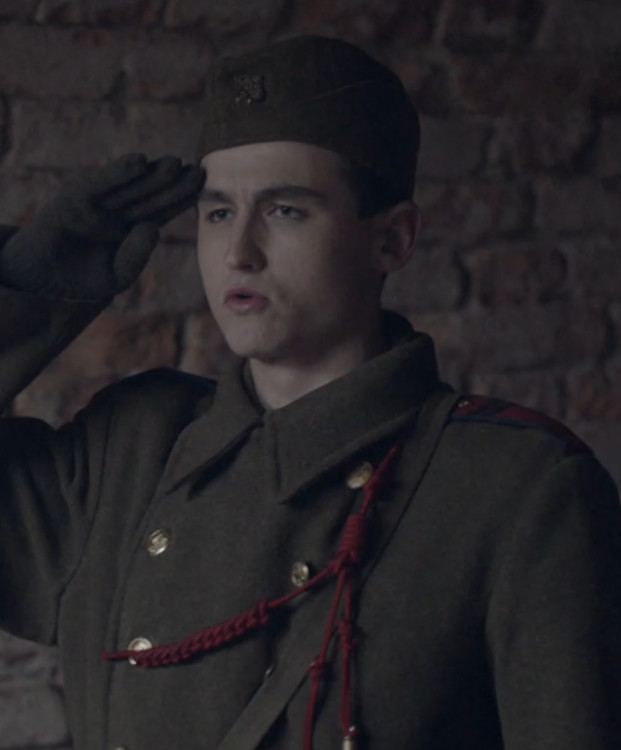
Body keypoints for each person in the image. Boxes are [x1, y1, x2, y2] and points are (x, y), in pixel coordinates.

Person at [0, 35, 620, 750]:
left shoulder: (516, 489)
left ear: (391, 240)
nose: (239, 253)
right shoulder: (129, 448)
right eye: (218, 212)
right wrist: (27, 297)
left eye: (285, 211)